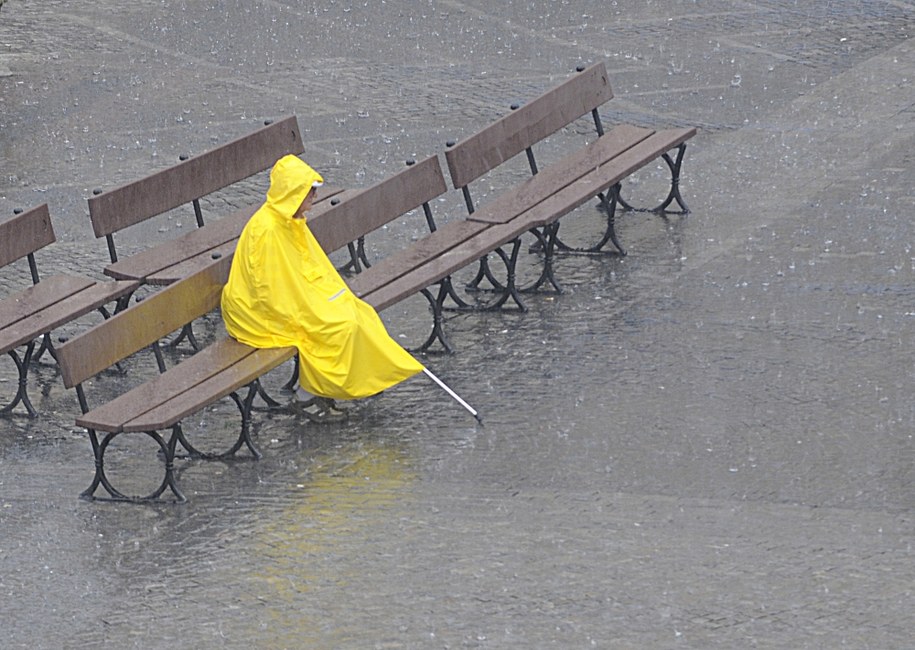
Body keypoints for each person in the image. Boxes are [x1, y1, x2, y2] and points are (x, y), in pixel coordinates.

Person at [221, 155, 424, 422]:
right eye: (310, 194)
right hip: (256, 311)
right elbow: (269, 290)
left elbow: (307, 268)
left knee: (356, 315)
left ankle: (347, 382)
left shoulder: (290, 222)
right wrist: (313, 305)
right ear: (294, 194)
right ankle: (307, 396)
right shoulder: (269, 231)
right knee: (331, 326)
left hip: (280, 299)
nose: (314, 200)